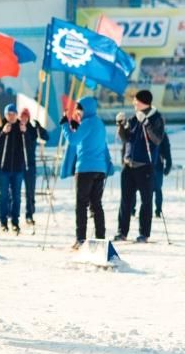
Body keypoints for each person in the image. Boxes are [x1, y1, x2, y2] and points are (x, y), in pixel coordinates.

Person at [59, 97, 113, 249]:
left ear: (86, 109)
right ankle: (100, 238)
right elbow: (93, 141)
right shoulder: (99, 123)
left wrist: (64, 125)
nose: (78, 112)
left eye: (79, 109)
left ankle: (81, 239)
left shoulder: (88, 123)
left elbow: (73, 140)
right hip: (100, 169)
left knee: (81, 205)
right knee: (96, 204)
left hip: (85, 169)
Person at [114, 89, 166, 243]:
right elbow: (126, 138)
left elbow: (157, 139)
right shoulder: (134, 118)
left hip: (145, 166)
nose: (133, 103)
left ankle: (144, 233)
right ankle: (121, 232)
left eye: (135, 100)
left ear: (143, 102)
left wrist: (147, 123)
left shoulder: (156, 118)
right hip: (129, 165)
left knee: (146, 201)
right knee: (126, 200)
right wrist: (121, 125)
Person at [0, 104, 27, 234]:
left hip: (18, 168)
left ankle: (15, 222)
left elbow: (28, 145)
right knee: (4, 196)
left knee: (16, 196)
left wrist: (24, 132)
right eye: (9, 114)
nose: (11, 116)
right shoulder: (0, 129)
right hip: (4, 168)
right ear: (5, 115)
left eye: (13, 114)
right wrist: (3, 132)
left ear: (16, 115)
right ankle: (3, 221)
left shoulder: (21, 127)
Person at [19, 107, 49, 227]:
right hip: (17, 164)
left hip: (30, 164)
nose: (24, 118)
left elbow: (46, 137)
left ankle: (29, 214)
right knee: (14, 192)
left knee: (30, 191)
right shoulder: (16, 128)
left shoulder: (32, 129)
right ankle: (12, 215)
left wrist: (39, 127)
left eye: (26, 116)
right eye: (22, 116)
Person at [153, 131, 172, 218]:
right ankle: (134, 210)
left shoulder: (161, 133)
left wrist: (168, 164)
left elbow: (167, 149)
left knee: (157, 189)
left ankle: (158, 210)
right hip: (147, 165)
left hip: (157, 166)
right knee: (150, 189)